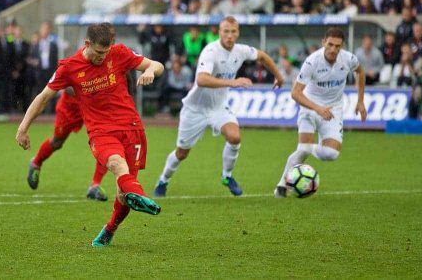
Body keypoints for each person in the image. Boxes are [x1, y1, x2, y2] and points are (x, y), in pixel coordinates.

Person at [16, 22, 164, 247]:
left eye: (106, 52)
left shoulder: (119, 53)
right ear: (87, 44)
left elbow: (156, 64)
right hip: (101, 131)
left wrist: (151, 70)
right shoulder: (70, 67)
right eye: (98, 52)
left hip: (131, 128)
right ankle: (139, 195)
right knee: (116, 164)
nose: (102, 58)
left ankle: (110, 229)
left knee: (124, 191)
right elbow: (44, 96)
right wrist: (23, 128)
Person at [153, 16, 284, 197]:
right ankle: (163, 180)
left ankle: (227, 176)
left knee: (235, 136)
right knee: (182, 153)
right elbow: (201, 79)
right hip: (195, 109)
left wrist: (278, 75)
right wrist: (233, 82)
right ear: (220, 32)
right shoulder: (211, 51)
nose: (229, 35)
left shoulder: (241, 50)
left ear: (237, 33)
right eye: (226, 31)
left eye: (233, 32)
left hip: (218, 107)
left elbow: (261, 55)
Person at [274, 27, 367, 198]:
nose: (333, 49)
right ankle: (282, 185)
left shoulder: (348, 59)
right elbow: (295, 93)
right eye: (330, 44)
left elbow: (360, 72)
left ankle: (307, 150)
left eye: (337, 46)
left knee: (331, 154)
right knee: (302, 149)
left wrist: (360, 101)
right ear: (323, 42)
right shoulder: (312, 62)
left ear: (342, 46)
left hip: (334, 110)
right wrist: (317, 108)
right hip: (310, 107)